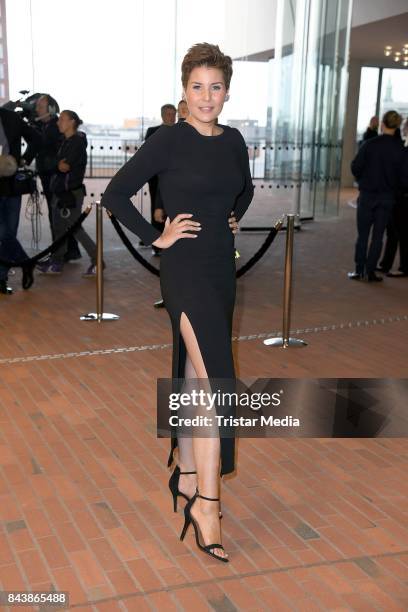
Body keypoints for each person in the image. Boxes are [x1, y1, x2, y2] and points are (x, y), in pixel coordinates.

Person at [101, 43, 253, 562]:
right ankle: (207, 506)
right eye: (197, 87)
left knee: (195, 373)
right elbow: (116, 194)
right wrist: (155, 236)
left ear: (227, 91)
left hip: (221, 269)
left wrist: (231, 217)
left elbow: (245, 190)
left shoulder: (234, 142)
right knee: (216, 384)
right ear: (183, 90)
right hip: (185, 270)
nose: (206, 96)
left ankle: (187, 474)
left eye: (215, 87)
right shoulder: (167, 140)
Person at [37, 110, 97, 277]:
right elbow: (57, 164)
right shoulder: (66, 141)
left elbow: (64, 166)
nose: (58, 123)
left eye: (62, 119)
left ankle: (98, 261)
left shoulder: (76, 142)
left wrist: (53, 163)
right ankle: (56, 262)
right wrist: (55, 163)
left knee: (75, 229)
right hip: (60, 192)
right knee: (60, 230)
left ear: (71, 122)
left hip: (71, 194)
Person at [349, 110, 404, 282]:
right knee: (378, 237)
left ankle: (359, 270)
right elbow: (404, 178)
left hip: (367, 195)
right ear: (397, 126)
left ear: (382, 124)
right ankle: (371, 272)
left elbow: (355, 167)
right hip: (387, 198)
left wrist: (362, 180)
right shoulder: (400, 149)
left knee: (363, 235)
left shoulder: (369, 144)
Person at [35, 95, 82, 262]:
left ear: (51, 109)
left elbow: (48, 148)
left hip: (57, 179)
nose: (37, 109)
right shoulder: (47, 125)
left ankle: (64, 253)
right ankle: (66, 252)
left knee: (60, 219)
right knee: (60, 219)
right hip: (53, 177)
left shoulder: (54, 128)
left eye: (41, 106)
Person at [0, 107, 40, 295]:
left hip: (11, 184)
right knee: (3, 234)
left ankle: (1, 278)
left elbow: (37, 138)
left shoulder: (11, 117)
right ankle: (26, 262)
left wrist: (25, 159)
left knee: (9, 233)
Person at [145, 104, 176, 254]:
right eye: (169, 114)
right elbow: (148, 153)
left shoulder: (181, 131)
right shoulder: (152, 131)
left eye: (173, 114)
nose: (171, 117)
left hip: (174, 177)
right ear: (163, 115)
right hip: (156, 177)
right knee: (156, 209)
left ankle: (172, 241)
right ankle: (157, 245)